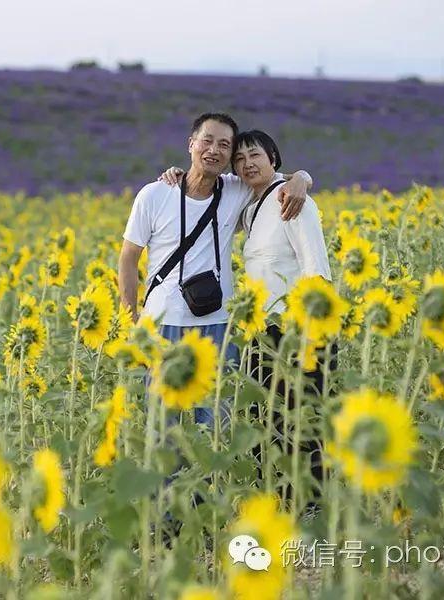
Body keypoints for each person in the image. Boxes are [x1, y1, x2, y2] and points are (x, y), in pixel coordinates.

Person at [161, 129, 334, 509]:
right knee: (267, 422)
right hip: (262, 332)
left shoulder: (294, 201)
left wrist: (301, 179)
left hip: (299, 329)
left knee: (304, 422)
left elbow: (316, 270)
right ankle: (278, 503)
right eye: (239, 160)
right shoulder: (250, 207)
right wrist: (176, 175)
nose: (247, 164)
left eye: (254, 155)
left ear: (274, 158)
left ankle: (311, 511)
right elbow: (203, 191)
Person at [118, 113, 313, 428]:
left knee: (216, 427)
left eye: (225, 145)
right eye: (207, 140)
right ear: (191, 144)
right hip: (162, 324)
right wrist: (129, 317)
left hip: (219, 325)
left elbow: (275, 176)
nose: (214, 150)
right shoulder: (154, 194)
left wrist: (302, 178)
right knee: (163, 428)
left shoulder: (236, 189)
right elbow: (128, 257)